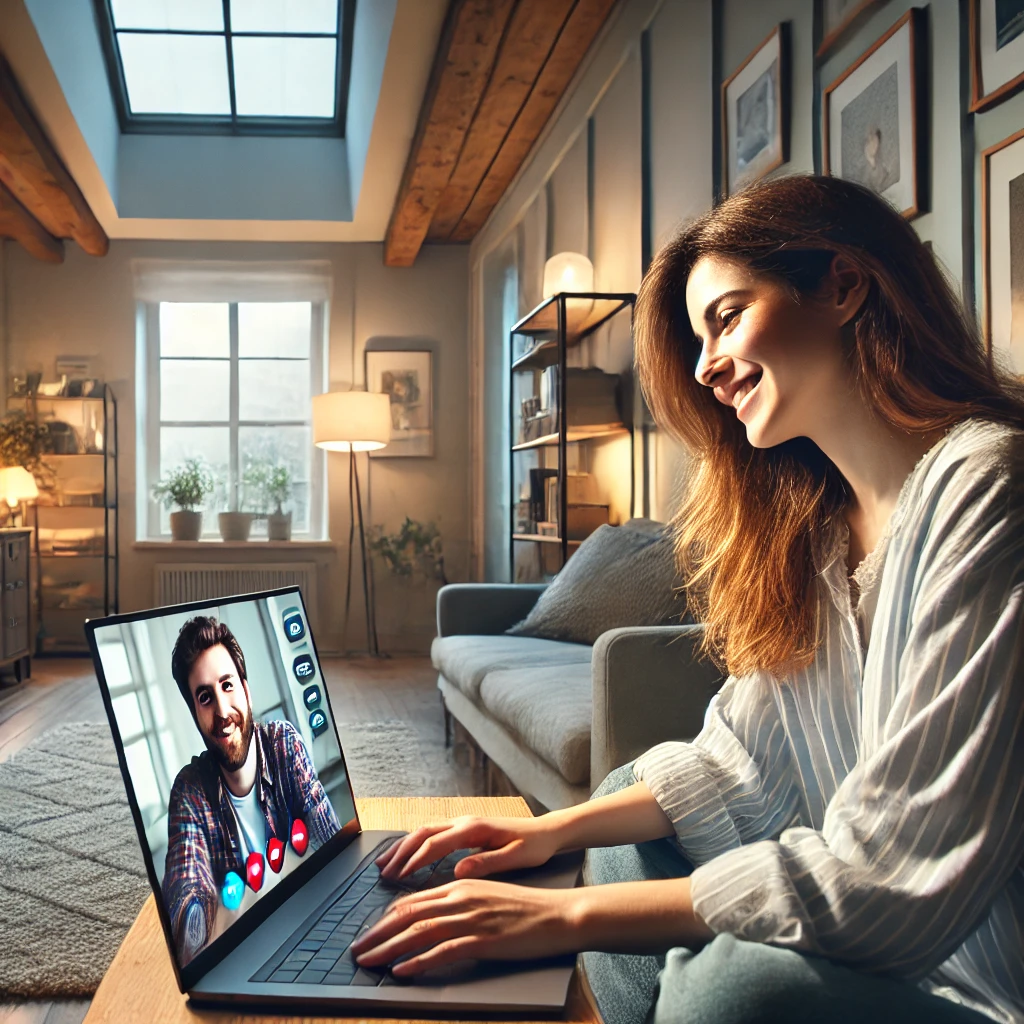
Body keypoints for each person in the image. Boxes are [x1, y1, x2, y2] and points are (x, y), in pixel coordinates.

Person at [349, 174, 1024, 1024]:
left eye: (728, 316)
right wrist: (549, 835)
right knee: (626, 804)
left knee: (725, 989)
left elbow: (894, 872)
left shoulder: (986, 482)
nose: (706, 366)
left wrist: (566, 915)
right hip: (873, 949)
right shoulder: (815, 534)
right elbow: (739, 759)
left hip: (983, 982)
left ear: (844, 286)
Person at [163, 616, 340, 965]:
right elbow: (187, 893)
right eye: (205, 697)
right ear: (195, 714)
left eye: (227, 686)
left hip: (314, 927)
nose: (222, 711)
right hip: (244, 958)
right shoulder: (189, 792)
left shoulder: (283, 744)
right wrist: (193, 931)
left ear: (246, 690)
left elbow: (332, 845)